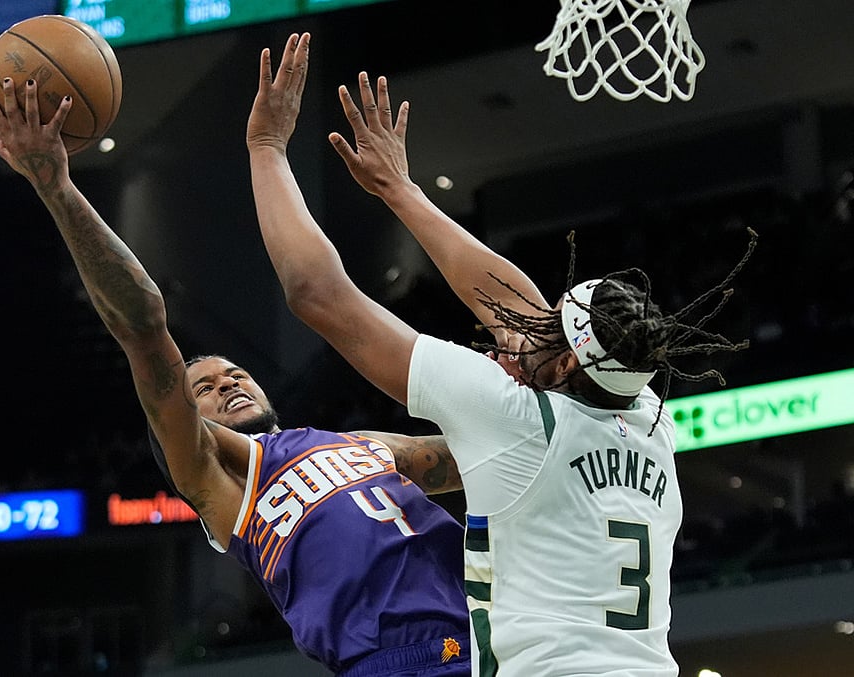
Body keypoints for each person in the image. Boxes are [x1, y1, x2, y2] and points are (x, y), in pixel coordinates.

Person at [246, 32, 758, 676]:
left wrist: (266, 150)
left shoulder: (515, 419)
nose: (529, 324)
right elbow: (512, 307)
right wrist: (402, 192)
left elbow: (317, 293)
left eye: (551, 330)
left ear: (570, 364)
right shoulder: (646, 414)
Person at [0, 42, 473, 676]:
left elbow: (480, 456)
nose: (228, 381)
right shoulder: (222, 479)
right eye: (205, 386)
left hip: (494, 639)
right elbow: (143, 325)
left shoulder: (363, 447)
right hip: (393, 661)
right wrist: (56, 187)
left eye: (233, 374)